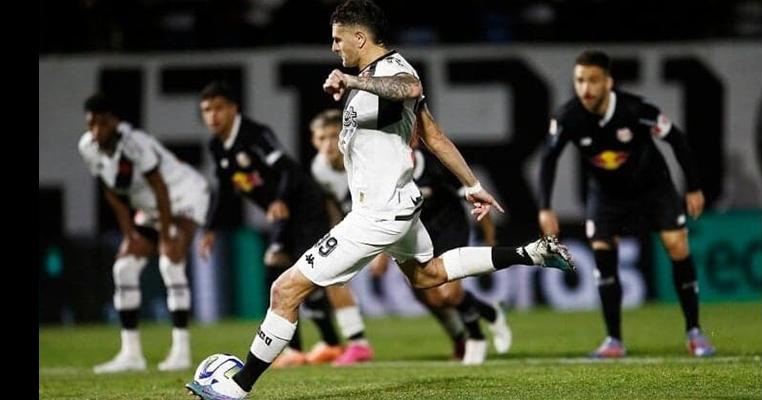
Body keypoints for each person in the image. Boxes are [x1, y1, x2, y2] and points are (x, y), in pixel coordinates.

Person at [186, 1, 573, 398]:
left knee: (285, 290)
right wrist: (473, 184)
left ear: (359, 37)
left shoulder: (391, 70)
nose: (335, 47)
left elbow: (410, 87)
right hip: (396, 205)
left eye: (338, 39)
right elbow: (434, 136)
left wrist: (353, 82)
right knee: (429, 276)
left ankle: (237, 387)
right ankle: (531, 254)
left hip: (379, 212)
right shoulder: (373, 78)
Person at [536, 50, 716, 358]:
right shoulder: (568, 118)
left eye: (593, 80)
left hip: (653, 188)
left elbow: (677, 139)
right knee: (603, 254)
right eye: (580, 81)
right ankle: (614, 341)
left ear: (608, 82)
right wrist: (545, 206)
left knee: (677, 246)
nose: (585, 88)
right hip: (606, 196)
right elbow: (549, 160)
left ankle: (694, 332)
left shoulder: (636, 110)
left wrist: (694, 187)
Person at [310, 109, 512, 365]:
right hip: (412, 228)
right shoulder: (340, 169)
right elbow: (359, 207)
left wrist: (490, 239)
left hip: (447, 224)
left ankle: (475, 337)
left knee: (448, 293)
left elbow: (475, 197)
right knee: (427, 293)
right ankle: (488, 312)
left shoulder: (432, 165)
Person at [197, 81, 373, 368]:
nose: (213, 116)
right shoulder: (217, 146)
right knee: (307, 280)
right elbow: (224, 188)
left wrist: (278, 199)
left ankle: (298, 349)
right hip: (284, 215)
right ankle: (329, 343)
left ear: (233, 109)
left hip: (303, 209)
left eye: (218, 108)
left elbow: (288, 170)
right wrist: (211, 227)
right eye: (206, 110)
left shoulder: (255, 134)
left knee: (278, 269)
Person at [78, 93, 208, 373]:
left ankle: (181, 351)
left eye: (102, 123)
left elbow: (160, 186)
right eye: (91, 124)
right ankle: (131, 354)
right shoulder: (87, 147)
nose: (96, 131)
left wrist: (165, 234)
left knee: (169, 262)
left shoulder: (134, 143)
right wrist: (129, 233)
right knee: (123, 267)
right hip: (150, 207)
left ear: (115, 121)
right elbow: (109, 189)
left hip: (184, 197)